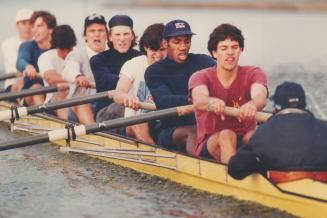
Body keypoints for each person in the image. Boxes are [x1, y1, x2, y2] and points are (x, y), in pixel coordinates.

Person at [189, 23, 267, 163]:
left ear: (241, 50)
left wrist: (252, 104)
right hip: (211, 143)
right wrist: (210, 101)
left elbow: (260, 96)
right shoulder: (201, 76)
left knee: (257, 135)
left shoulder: (254, 73)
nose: (230, 52)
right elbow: (199, 99)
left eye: (235, 47)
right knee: (227, 135)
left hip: (243, 139)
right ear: (214, 53)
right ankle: (233, 178)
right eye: (224, 48)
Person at [228, 81, 327, 183]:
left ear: (275, 108)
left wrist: (257, 166)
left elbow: (235, 170)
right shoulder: (323, 128)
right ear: (304, 105)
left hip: (286, 185)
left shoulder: (263, 132)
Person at [145, 19, 216, 154]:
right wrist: (193, 99)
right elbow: (164, 101)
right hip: (170, 129)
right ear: (166, 44)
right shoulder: (154, 71)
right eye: (177, 42)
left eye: (187, 41)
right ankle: (199, 168)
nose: (183, 47)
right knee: (194, 131)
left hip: (203, 123)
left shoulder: (203, 61)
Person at [113, 23, 167, 144]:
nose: (158, 55)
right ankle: (156, 157)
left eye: (162, 50)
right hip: (134, 121)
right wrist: (126, 97)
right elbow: (118, 92)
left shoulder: (173, 67)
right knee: (139, 122)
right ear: (146, 47)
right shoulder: (133, 65)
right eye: (154, 49)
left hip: (162, 123)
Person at [90, 14, 141, 121]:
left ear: (132, 36)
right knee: (124, 107)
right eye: (117, 34)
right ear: (110, 37)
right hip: (107, 111)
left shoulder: (141, 57)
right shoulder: (98, 60)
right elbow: (107, 81)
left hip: (138, 106)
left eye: (126, 34)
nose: (122, 39)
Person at [62, 13, 108, 124]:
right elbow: (69, 69)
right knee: (82, 102)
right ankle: (97, 136)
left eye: (100, 30)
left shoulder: (113, 54)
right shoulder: (77, 55)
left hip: (105, 105)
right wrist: (78, 76)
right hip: (82, 105)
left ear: (107, 35)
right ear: (85, 36)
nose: (97, 34)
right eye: (92, 31)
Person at [16, 10, 57, 106]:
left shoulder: (59, 48)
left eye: (39, 26)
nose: (33, 30)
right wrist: (28, 67)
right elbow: (20, 61)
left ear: (50, 29)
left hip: (54, 90)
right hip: (31, 93)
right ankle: (45, 117)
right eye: (33, 26)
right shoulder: (27, 46)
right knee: (37, 88)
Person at [38, 25, 76, 119]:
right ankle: (69, 124)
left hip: (77, 97)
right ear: (55, 46)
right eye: (62, 49)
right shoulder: (46, 57)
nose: (66, 53)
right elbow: (50, 78)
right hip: (53, 102)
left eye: (68, 49)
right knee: (62, 91)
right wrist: (75, 79)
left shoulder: (79, 54)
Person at [1, 8, 33, 94]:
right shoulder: (8, 44)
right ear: (17, 25)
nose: (28, 27)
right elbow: (18, 64)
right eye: (23, 23)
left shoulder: (39, 42)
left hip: (36, 82)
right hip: (14, 85)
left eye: (30, 23)